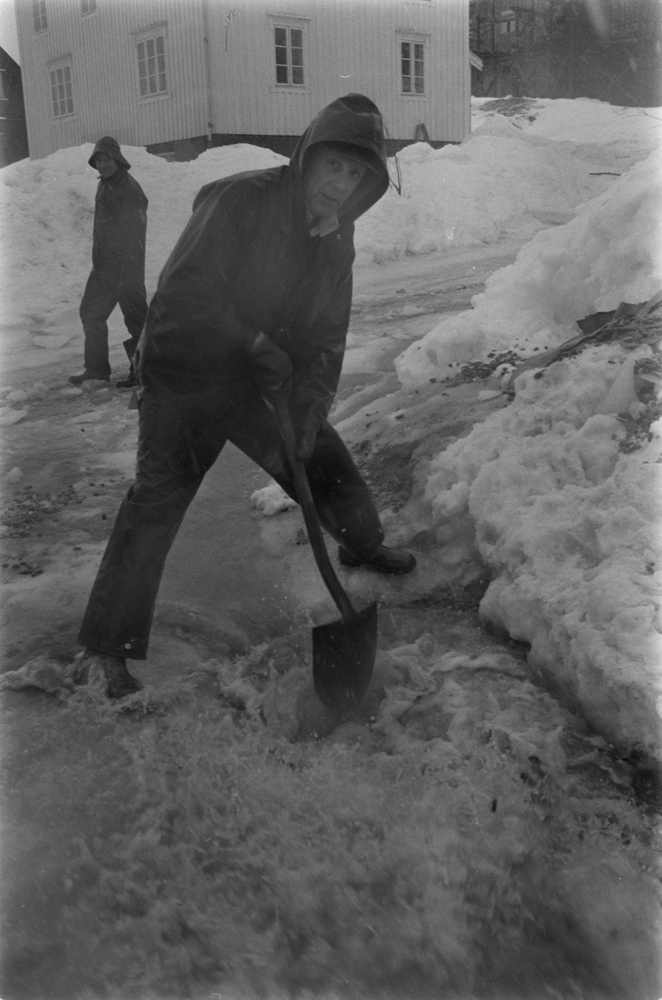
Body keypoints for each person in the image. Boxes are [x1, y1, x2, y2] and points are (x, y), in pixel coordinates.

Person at [73, 94, 416, 699]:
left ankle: (362, 544)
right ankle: (105, 650)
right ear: (307, 157)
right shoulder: (239, 200)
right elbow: (181, 300)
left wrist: (310, 410)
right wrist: (250, 338)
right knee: (154, 505)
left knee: (323, 460)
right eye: (333, 166)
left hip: (258, 381)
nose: (341, 185)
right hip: (184, 377)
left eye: (357, 174)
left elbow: (327, 334)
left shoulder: (336, 239)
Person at [69, 136, 148, 389]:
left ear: (117, 159)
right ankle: (96, 371)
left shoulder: (130, 190)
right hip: (103, 267)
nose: (102, 164)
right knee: (91, 312)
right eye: (98, 160)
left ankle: (144, 371)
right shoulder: (104, 184)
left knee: (136, 319)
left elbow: (134, 234)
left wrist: (129, 272)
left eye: (106, 159)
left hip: (127, 266)